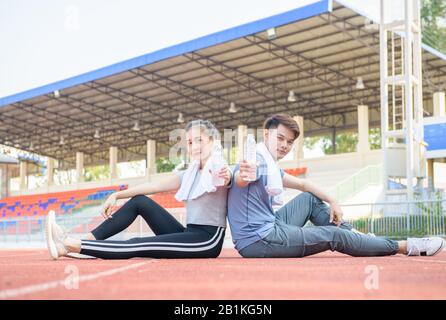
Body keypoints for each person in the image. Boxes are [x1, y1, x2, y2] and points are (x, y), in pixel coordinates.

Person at [228, 113, 445, 258]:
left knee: (311, 199)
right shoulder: (255, 161)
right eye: (280, 138)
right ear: (266, 134)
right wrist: (245, 175)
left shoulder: (270, 164)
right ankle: (408, 246)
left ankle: (357, 235)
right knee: (335, 236)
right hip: (259, 240)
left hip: (271, 224)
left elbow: (303, 184)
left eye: (290, 142)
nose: (285, 145)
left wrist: (333, 200)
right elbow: (242, 175)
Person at [45, 119, 231, 260]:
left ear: (212, 141)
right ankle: (87, 241)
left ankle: (70, 245)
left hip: (207, 240)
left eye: (199, 140)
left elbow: (229, 177)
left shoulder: (219, 168)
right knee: (140, 201)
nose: (194, 147)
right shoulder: (189, 174)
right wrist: (116, 195)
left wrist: (227, 177)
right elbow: (154, 186)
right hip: (188, 233)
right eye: (190, 143)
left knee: (138, 243)